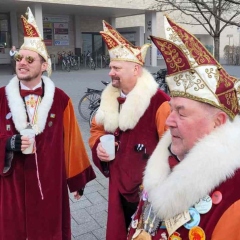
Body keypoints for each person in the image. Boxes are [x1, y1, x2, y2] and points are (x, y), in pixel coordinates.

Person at [128, 15, 240, 240]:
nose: (168, 121)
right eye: (171, 110)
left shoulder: (234, 197)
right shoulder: (164, 163)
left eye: (181, 112)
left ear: (217, 122)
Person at [0, 7, 96, 240]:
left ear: (44, 66)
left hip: (49, 188)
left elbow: (72, 141)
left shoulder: (61, 100)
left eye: (29, 59)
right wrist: (8, 143)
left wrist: (77, 181)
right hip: (11, 188)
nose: (21, 62)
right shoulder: (0, 98)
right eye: (19, 58)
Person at [89, 20, 170, 240]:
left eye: (116, 68)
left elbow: (172, 148)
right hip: (118, 187)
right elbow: (96, 131)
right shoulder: (110, 98)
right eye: (110, 67)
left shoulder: (159, 102)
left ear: (136, 69)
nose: (110, 73)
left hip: (147, 195)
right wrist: (99, 148)